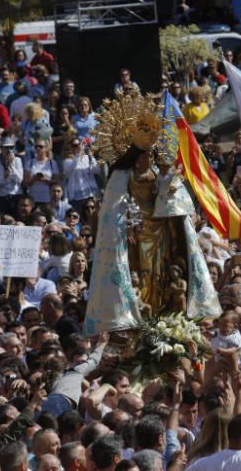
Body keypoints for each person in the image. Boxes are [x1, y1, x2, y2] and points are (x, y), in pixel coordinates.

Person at [84, 92, 220, 333]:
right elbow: (113, 210)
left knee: (162, 270)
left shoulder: (160, 172)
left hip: (161, 230)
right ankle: (142, 312)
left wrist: (169, 182)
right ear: (135, 155)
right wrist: (124, 226)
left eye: (151, 153)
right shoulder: (120, 176)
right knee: (140, 273)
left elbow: (174, 201)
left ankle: (163, 311)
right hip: (135, 234)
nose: (150, 158)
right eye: (145, 154)